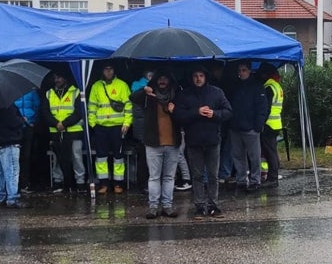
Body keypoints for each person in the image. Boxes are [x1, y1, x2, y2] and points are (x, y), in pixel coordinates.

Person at [173, 65, 233, 218]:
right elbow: (178, 115)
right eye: (195, 76)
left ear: (205, 77)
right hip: (194, 141)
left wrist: (214, 113)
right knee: (197, 176)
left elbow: (228, 112)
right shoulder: (185, 94)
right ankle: (199, 206)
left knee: (213, 175)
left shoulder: (216, 92)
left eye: (201, 75)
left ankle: (213, 205)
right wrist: (196, 112)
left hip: (213, 139)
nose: (198, 79)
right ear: (191, 78)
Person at [132, 70, 182, 218]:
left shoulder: (177, 94)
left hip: (173, 143)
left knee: (169, 177)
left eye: (165, 78)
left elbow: (184, 115)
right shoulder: (148, 95)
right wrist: (143, 91)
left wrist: (175, 110)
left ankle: (167, 206)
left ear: (170, 80)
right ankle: (153, 207)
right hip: (153, 143)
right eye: (159, 78)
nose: (162, 81)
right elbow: (133, 98)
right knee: (154, 177)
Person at [88, 62, 132, 195]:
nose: (108, 72)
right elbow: (91, 107)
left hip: (118, 127)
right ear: (102, 71)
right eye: (106, 69)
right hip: (100, 127)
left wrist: (127, 123)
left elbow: (128, 106)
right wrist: (93, 124)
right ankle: (103, 183)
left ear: (114, 70)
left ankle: (118, 183)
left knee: (118, 156)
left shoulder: (122, 85)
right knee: (101, 156)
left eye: (110, 69)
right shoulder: (96, 86)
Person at [228, 61, 270, 191]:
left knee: (254, 156)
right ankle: (241, 180)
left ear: (249, 71)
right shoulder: (234, 86)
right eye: (239, 70)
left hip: (251, 127)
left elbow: (262, 107)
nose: (241, 73)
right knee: (238, 156)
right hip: (235, 127)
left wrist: (258, 125)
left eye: (244, 70)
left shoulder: (257, 87)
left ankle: (255, 180)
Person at [43, 72, 87, 194]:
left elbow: (79, 113)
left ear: (66, 78)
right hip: (56, 131)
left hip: (73, 131)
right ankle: (59, 182)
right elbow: (45, 113)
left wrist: (64, 124)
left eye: (60, 76)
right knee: (57, 158)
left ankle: (80, 183)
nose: (57, 79)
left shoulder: (76, 92)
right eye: (55, 77)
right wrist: (56, 123)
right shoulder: (49, 93)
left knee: (76, 157)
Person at [0, 102, 26, 208]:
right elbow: (13, 122)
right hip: (9, 141)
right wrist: (22, 119)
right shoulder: (7, 105)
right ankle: (13, 198)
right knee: (12, 171)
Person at [259, 63, 284, 184]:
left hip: (268, 124)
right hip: (276, 123)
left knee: (269, 152)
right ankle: (273, 175)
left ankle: (272, 177)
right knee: (272, 150)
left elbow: (266, 108)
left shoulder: (269, 87)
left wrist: (261, 122)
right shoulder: (277, 86)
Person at [14, 88, 40, 193]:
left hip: (28, 126)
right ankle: (16, 183)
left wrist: (32, 121)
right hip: (16, 127)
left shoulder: (32, 91)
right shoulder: (10, 90)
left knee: (27, 156)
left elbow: (37, 106)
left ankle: (25, 183)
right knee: (15, 156)